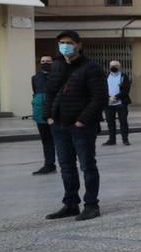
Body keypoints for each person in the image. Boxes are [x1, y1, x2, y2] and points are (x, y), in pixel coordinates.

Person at [43, 30, 108, 221]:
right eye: (61, 42)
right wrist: (49, 117)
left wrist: (83, 120)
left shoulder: (91, 68)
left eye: (68, 42)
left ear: (79, 44)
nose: (64, 46)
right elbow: (50, 93)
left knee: (87, 165)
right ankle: (71, 204)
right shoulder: (57, 66)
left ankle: (91, 205)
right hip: (59, 125)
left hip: (81, 127)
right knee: (66, 166)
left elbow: (99, 98)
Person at [31, 56, 57, 175]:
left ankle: (68, 164)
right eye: (43, 62)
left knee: (63, 141)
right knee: (46, 141)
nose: (45, 63)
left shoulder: (59, 76)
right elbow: (35, 94)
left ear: (53, 63)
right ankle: (49, 165)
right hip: (41, 114)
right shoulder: (35, 78)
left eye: (48, 61)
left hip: (57, 114)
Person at [103, 60, 131, 146]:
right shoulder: (105, 76)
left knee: (123, 122)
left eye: (115, 65)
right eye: (112, 65)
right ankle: (112, 140)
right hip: (109, 104)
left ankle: (125, 139)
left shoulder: (123, 76)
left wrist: (115, 97)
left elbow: (126, 90)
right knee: (110, 122)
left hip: (121, 103)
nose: (113, 66)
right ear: (109, 66)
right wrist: (108, 98)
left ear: (119, 67)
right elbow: (102, 88)